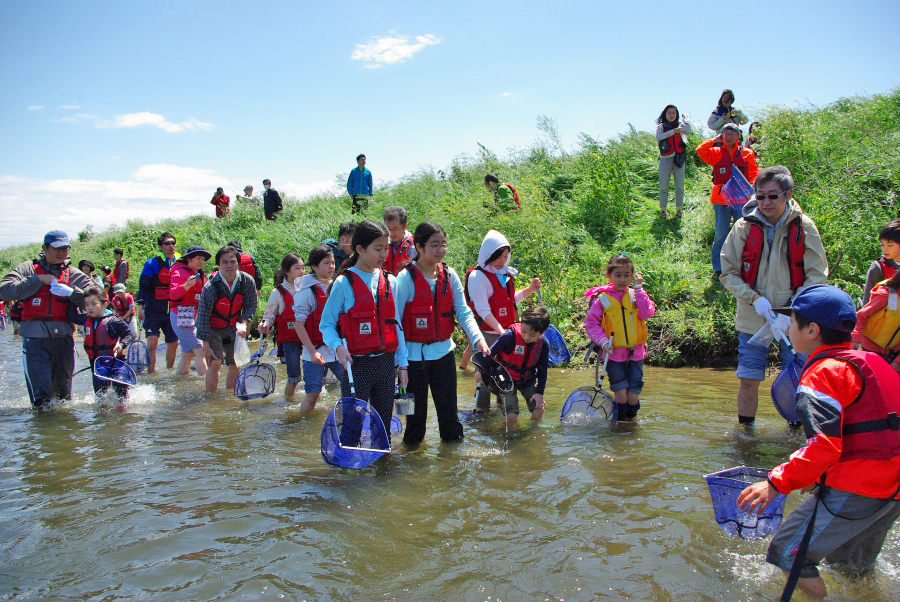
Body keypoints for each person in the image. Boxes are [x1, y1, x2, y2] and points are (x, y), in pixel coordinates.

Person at [737, 284, 900, 600]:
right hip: (893, 488)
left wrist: (776, 483)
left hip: (863, 485)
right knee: (851, 566)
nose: (787, 326)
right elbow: (870, 431)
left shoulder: (823, 373)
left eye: (793, 319)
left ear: (811, 330)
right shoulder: (875, 362)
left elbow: (825, 445)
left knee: (787, 552)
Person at [720, 166, 828, 423]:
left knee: (800, 380)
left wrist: (794, 310)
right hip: (753, 316)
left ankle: (796, 436)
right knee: (748, 378)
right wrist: (756, 299)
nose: (766, 202)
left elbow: (817, 274)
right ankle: (745, 437)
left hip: (795, 320)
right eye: (760, 196)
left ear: (788, 194)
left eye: (773, 196)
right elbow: (728, 273)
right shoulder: (743, 226)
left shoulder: (804, 226)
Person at [395, 222, 490, 444]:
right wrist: (402, 364)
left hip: (443, 355)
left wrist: (478, 338)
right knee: (416, 422)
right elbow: (396, 322)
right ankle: (411, 465)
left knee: (450, 418)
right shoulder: (405, 279)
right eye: (434, 245)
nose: (440, 250)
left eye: (443, 244)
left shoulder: (450, 275)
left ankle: (454, 465)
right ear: (419, 246)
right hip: (413, 359)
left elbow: (464, 311)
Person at [319, 220, 408, 436]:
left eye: (386, 248)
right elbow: (327, 325)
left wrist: (403, 365)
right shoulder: (343, 283)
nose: (383, 254)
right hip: (355, 366)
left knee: (383, 427)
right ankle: (348, 468)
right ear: (359, 249)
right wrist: (338, 347)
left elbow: (396, 325)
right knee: (352, 426)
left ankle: (382, 467)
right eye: (378, 249)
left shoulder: (391, 281)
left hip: (386, 364)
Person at [0, 230, 93, 409]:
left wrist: (73, 293)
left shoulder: (72, 273)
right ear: (45, 248)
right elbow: (4, 290)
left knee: (64, 401)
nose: (61, 253)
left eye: (65, 248)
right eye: (57, 248)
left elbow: (99, 299)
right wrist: (37, 280)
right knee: (42, 402)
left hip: (64, 341)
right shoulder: (28, 269)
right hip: (35, 342)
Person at [465, 229, 540, 407]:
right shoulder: (478, 276)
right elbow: (483, 310)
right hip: (487, 334)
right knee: (485, 377)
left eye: (505, 256)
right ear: (487, 255)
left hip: (506, 332)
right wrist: (502, 332)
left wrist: (530, 289)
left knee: (506, 375)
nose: (502, 261)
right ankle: (482, 416)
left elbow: (509, 301)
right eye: (498, 257)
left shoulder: (503, 274)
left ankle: (503, 412)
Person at [584, 253, 657, 419]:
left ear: (632, 276)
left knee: (633, 397)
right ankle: (620, 425)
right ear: (609, 276)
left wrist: (639, 289)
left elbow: (647, 313)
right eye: (618, 275)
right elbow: (591, 324)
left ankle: (631, 424)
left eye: (626, 275)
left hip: (636, 353)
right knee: (622, 396)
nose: (622, 280)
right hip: (613, 355)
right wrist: (602, 341)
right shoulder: (602, 299)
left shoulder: (635, 295)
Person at [697, 123, 759, 276]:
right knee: (721, 234)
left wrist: (750, 191)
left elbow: (754, 174)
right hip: (721, 200)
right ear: (722, 136)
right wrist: (714, 139)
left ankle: (740, 266)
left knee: (742, 233)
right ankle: (718, 268)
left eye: (732, 134)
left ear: (739, 136)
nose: (728, 136)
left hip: (741, 200)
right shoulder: (716, 152)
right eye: (726, 134)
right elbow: (700, 150)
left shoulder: (747, 153)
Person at [290, 246, 345, 411]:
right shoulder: (305, 293)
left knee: (350, 386)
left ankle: (347, 419)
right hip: (313, 350)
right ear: (314, 267)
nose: (331, 267)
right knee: (313, 393)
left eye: (333, 263)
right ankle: (303, 426)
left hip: (336, 348)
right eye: (326, 263)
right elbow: (299, 324)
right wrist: (312, 352)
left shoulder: (337, 286)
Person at [196, 246, 258, 393]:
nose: (229, 265)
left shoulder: (247, 281)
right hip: (212, 328)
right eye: (224, 262)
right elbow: (203, 316)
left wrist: (243, 323)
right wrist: (205, 346)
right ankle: (211, 398)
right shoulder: (210, 286)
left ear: (238, 263)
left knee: (235, 363)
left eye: (232, 261)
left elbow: (251, 306)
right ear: (218, 265)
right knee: (215, 362)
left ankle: (230, 396)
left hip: (233, 327)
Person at [488, 307, 552, 423]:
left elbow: (543, 371)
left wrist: (539, 393)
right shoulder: (509, 337)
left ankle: (532, 436)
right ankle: (509, 438)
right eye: (524, 332)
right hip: (506, 379)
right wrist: (481, 372)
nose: (526, 337)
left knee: (539, 410)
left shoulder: (543, 344)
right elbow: (489, 354)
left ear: (541, 333)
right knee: (512, 417)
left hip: (527, 379)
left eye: (532, 335)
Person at [68, 286, 134, 399]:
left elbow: (129, 335)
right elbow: (71, 316)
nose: (90, 308)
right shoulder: (86, 319)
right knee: (100, 399)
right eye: (87, 304)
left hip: (116, 364)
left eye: (94, 304)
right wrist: (70, 294)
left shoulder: (114, 321)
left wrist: (121, 344)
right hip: (97, 367)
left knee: (122, 398)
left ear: (104, 304)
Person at [259, 253, 307, 398]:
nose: (302, 272)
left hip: (309, 338)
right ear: (287, 271)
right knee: (294, 379)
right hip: (290, 339)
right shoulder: (278, 292)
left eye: (303, 268)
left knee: (315, 375)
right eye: (297, 268)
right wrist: (265, 324)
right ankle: (288, 404)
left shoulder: (309, 288)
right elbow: (269, 315)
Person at [136, 232, 181, 372]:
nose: (171, 246)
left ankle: (169, 371)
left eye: (173, 243)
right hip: (153, 309)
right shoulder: (152, 264)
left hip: (173, 310)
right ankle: (151, 373)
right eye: (167, 243)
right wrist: (140, 307)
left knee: (173, 342)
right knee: (152, 343)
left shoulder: (181, 263)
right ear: (161, 247)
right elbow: (143, 286)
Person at [168, 245, 211, 377]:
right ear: (189, 259)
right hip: (180, 315)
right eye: (198, 258)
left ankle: (179, 380)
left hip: (192, 316)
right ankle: (208, 384)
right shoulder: (179, 272)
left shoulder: (199, 274)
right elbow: (172, 295)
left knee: (188, 353)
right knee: (200, 350)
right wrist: (186, 285)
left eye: (203, 259)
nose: (201, 261)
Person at [655, 104, 692, 219]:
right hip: (665, 159)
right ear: (665, 114)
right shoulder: (661, 126)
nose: (671, 115)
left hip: (679, 158)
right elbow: (658, 137)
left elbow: (688, 131)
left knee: (679, 186)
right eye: (669, 113)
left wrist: (686, 120)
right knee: (663, 187)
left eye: (674, 113)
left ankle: (679, 211)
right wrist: (673, 132)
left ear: (676, 115)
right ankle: (663, 211)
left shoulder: (681, 126)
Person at [862, 219, 900, 304]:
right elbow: (867, 302)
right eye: (882, 245)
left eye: (890, 245)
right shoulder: (877, 268)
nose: (885, 249)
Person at [382, 205, 417, 275]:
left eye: (395, 229)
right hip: (386, 283)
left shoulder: (414, 247)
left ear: (405, 226)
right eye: (388, 229)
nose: (391, 234)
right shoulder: (382, 242)